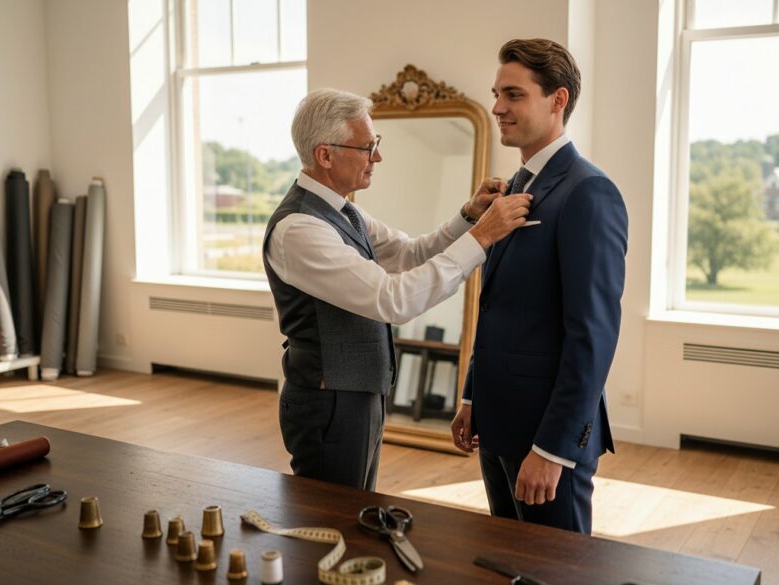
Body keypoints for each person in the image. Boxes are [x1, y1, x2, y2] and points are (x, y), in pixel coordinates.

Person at [263, 88, 531, 491]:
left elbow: (409, 253)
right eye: (367, 147)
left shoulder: (344, 211)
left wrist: (468, 217)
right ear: (325, 155)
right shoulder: (299, 229)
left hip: (358, 395)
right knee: (331, 515)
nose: (377, 157)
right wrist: (482, 237)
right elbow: (393, 300)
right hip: (329, 403)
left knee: (354, 507)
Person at [451, 39, 628, 534]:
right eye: (496, 94)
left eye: (513, 94)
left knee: (557, 566)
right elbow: (497, 306)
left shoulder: (588, 191)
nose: (497, 108)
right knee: (509, 558)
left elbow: (592, 335)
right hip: (497, 424)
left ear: (558, 100)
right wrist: (472, 398)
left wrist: (552, 449)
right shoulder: (514, 187)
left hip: (544, 437)